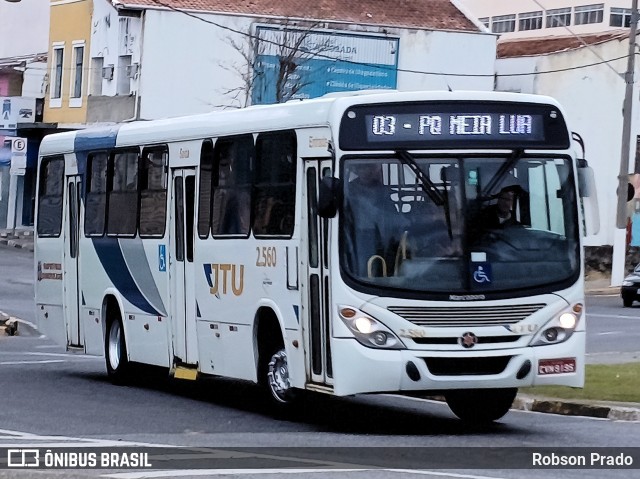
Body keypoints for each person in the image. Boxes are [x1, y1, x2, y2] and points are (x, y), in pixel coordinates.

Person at [343, 162, 406, 277]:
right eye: (361, 168)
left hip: (383, 237)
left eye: (369, 168)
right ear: (356, 171)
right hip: (358, 236)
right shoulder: (349, 189)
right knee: (362, 271)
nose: (366, 172)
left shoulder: (383, 191)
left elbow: (394, 216)